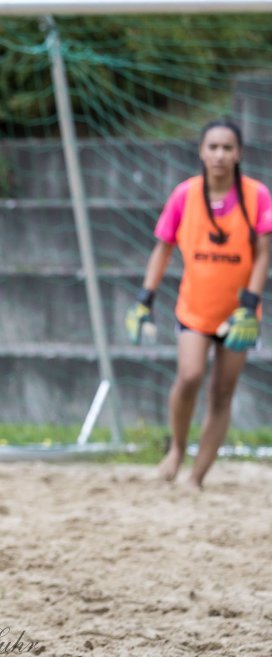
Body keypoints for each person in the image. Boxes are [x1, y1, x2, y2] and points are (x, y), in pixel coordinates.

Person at [126, 118, 269, 489]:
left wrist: (249, 303)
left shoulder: (257, 196)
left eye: (227, 148)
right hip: (195, 309)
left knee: (222, 392)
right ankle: (175, 448)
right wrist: (145, 298)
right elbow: (163, 248)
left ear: (239, 154)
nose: (219, 154)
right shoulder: (185, 195)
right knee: (189, 377)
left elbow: (263, 253)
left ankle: (197, 478)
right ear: (201, 151)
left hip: (240, 313)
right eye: (213, 147)